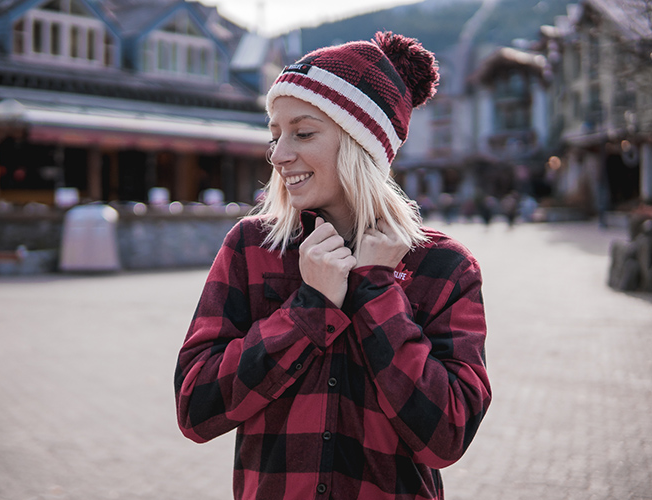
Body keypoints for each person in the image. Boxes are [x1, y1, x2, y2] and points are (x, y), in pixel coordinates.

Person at [174, 32, 491, 500]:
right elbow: (196, 409)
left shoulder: (443, 267)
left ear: (363, 146)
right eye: (275, 134)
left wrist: (377, 290)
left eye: (302, 133)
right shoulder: (251, 248)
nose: (278, 155)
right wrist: (310, 307)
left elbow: (446, 437)